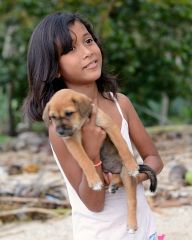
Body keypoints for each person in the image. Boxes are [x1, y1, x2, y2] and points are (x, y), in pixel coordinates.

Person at [23, 12, 164, 240]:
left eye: (88, 41)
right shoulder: (60, 130)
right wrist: (92, 152)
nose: (87, 52)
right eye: (71, 49)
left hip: (146, 232)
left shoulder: (121, 104)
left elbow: (154, 159)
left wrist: (132, 178)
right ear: (55, 67)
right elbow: (94, 203)